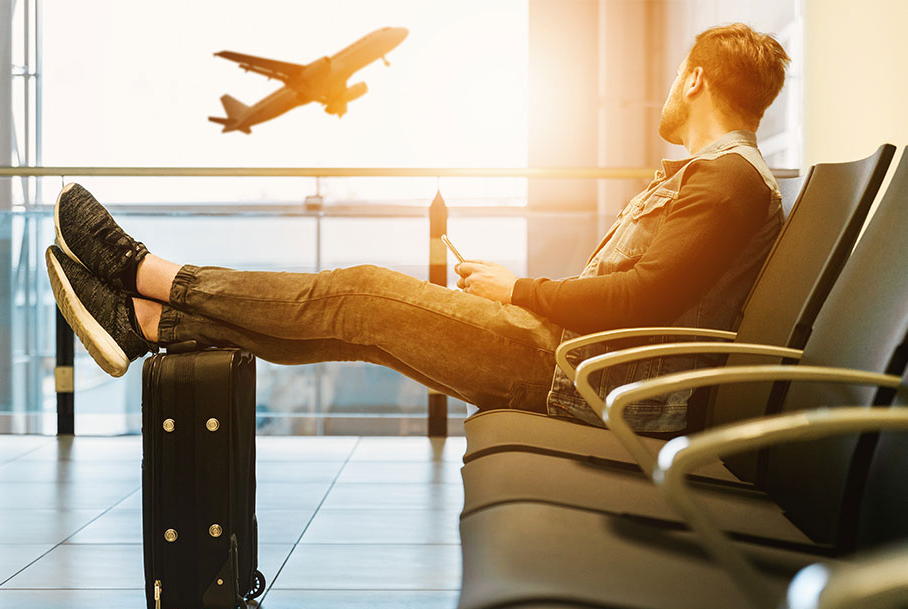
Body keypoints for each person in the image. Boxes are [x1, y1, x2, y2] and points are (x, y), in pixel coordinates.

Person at [46, 23, 790, 434]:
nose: (667, 91)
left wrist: (520, 288)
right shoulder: (719, 179)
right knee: (360, 328)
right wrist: (521, 295)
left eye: (674, 79)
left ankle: (143, 273)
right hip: (574, 365)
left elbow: (643, 302)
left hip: (576, 379)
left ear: (694, 78)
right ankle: (147, 322)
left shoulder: (726, 181)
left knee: (361, 294)